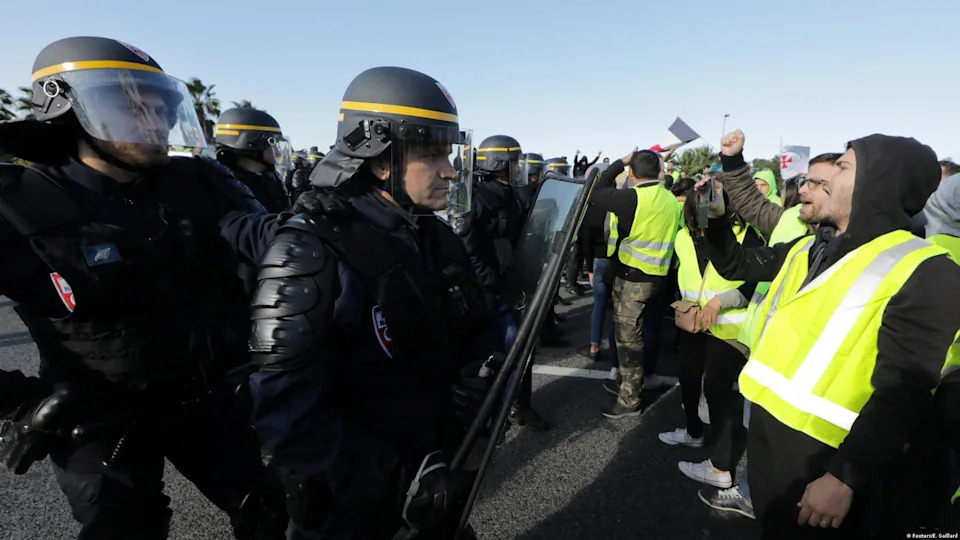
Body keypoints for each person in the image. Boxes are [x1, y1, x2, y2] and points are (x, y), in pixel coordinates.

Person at [0, 36, 286, 539]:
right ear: (69, 109)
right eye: (131, 108)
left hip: (203, 396)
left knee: (275, 511)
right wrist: (19, 400)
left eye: (160, 109)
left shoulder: (194, 182)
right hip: (98, 415)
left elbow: (259, 233)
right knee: (124, 527)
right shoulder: (20, 204)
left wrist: (313, 232)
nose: (154, 123)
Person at [247, 66, 503, 539]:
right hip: (355, 504)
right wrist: (399, 484)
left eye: (448, 153)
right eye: (431, 154)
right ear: (382, 161)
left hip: (435, 471)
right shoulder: (313, 249)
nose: (449, 170)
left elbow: (474, 320)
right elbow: (288, 413)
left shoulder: (436, 235)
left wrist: (482, 375)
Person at [702, 133, 960, 538]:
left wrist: (844, 478)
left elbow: (905, 388)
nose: (819, 181)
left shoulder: (930, 271)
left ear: (879, 183)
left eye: (842, 167)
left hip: (825, 460)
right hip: (771, 442)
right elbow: (737, 263)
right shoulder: (809, 247)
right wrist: (714, 217)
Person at [658, 180, 761, 494]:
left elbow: (757, 281)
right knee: (688, 377)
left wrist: (721, 302)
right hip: (693, 323)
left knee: (717, 391)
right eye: (702, 203)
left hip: (730, 328)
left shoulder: (747, 235)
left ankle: (720, 468)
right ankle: (692, 431)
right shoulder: (682, 237)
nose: (706, 210)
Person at [590, 147, 681, 418]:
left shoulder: (634, 198)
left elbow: (598, 188)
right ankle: (635, 382)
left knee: (629, 343)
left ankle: (629, 400)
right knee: (645, 333)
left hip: (632, 280)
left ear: (631, 173)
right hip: (658, 278)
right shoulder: (669, 198)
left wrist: (619, 161)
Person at [214, 107, 290, 212]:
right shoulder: (218, 185)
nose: (276, 150)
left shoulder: (268, 179)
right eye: (273, 143)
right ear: (253, 142)